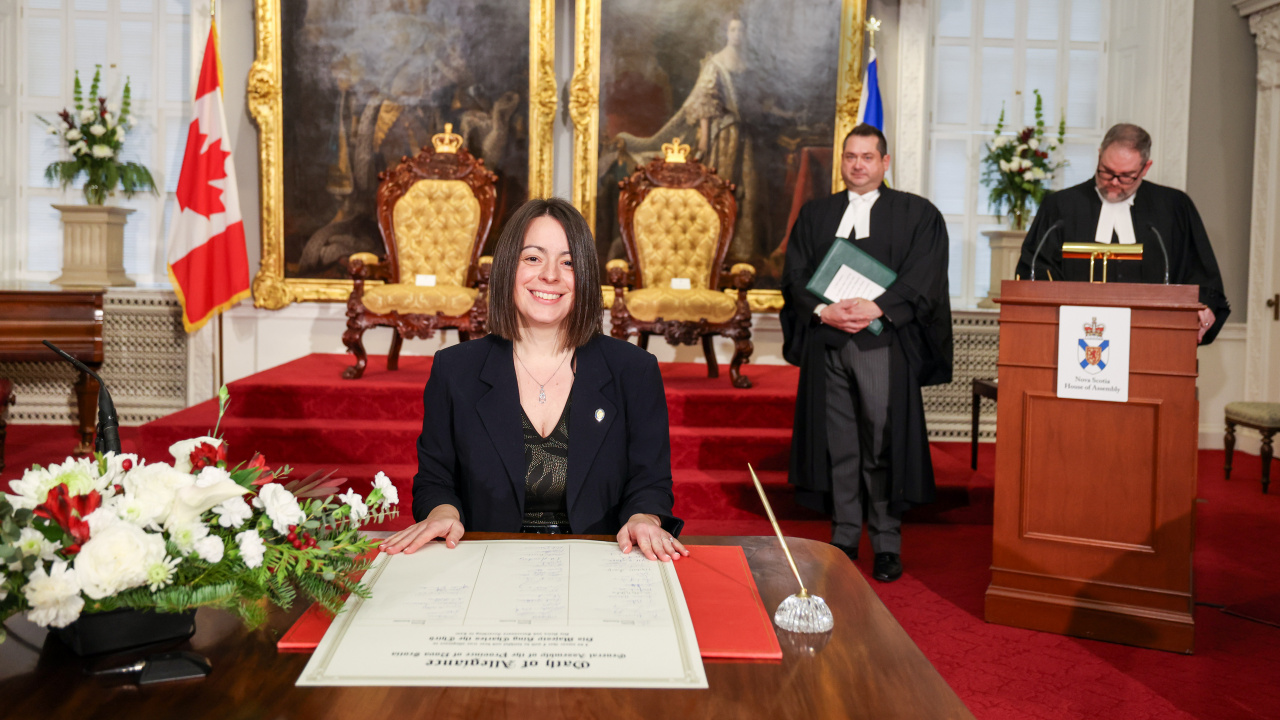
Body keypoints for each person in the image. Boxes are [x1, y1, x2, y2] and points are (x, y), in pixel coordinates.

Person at [382, 198, 687, 562]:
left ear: (586, 276)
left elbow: (650, 482)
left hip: (601, 563)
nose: (550, 275)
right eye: (533, 258)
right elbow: (436, 481)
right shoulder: (455, 369)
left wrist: (643, 518)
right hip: (486, 563)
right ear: (508, 267)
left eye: (568, 262)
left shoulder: (633, 370)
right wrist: (443, 513)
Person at [780, 124, 952, 583]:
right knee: (839, 443)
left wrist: (880, 306)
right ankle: (845, 534)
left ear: (885, 163)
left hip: (882, 344)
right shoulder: (817, 214)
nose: (858, 165)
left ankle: (887, 541)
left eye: (867, 157)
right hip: (828, 343)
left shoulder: (917, 213)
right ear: (842, 160)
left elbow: (925, 275)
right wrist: (823, 310)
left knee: (881, 441)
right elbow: (794, 275)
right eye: (850, 156)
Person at [1015, 123, 1230, 344]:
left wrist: (1203, 307)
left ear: (1146, 168)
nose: (1114, 184)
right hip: (1074, 342)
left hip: (1154, 343)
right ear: (1099, 156)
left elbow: (1201, 273)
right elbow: (1035, 270)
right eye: (1106, 172)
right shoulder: (1060, 207)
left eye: (1127, 176)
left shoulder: (1174, 208)